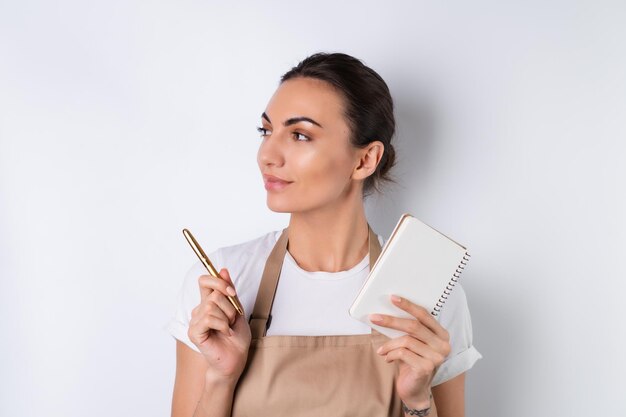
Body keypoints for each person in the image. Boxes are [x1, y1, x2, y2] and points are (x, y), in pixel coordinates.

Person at [166, 52, 482, 417]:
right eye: (266, 131)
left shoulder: (430, 296)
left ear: (365, 160)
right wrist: (222, 377)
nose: (268, 154)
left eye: (300, 135)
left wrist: (417, 402)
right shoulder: (221, 283)